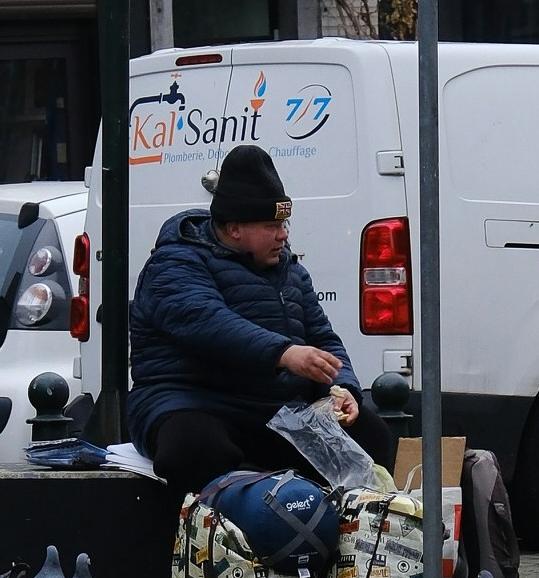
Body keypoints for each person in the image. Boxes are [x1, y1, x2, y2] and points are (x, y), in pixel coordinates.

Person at [128, 142, 395, 500]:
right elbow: (208, 322)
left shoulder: (289, 271)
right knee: (195, 449)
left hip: (274, 410)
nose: (283, 234)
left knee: (370, 435)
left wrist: (344, 389)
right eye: (271, 225)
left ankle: (337, 542)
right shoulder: (174, 263)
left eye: (284, 223)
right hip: (192, 400)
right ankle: (191, 545)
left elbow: (323, 338)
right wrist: (284, 353)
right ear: (235, 228)